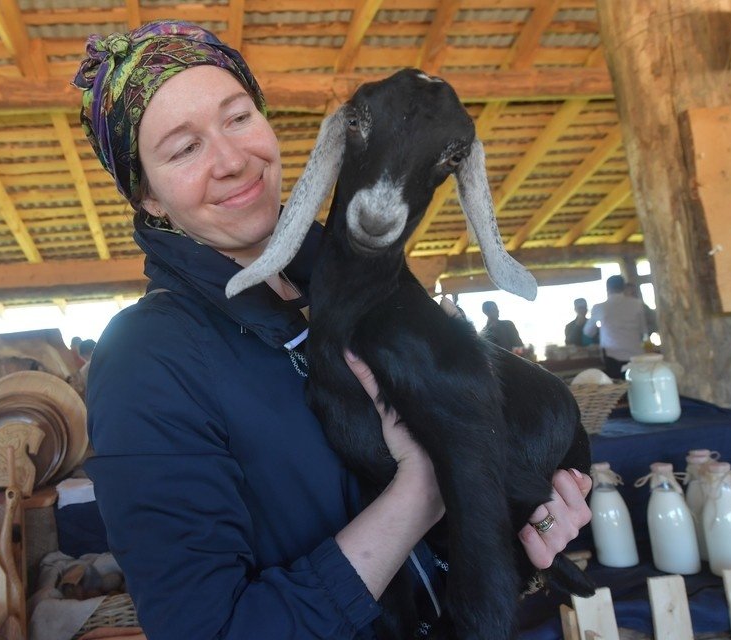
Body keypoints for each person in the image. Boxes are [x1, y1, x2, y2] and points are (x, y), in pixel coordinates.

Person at [75, 20, 591, 639]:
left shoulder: (365, 288)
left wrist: (524, 526)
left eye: (238, 117)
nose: (233, 161)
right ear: (149, 197)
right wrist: (420, 491)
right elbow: (210, 630)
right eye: (184, 148)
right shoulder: (145, 360)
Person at [585, 275, 648, 379]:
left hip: (612, 357)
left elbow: (588, 332)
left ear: (607, 289)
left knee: (617, 386)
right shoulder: (637, 304)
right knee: (637, 384)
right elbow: (643, 330)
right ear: (623, 287)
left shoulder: (599, 307)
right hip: (636, 355)